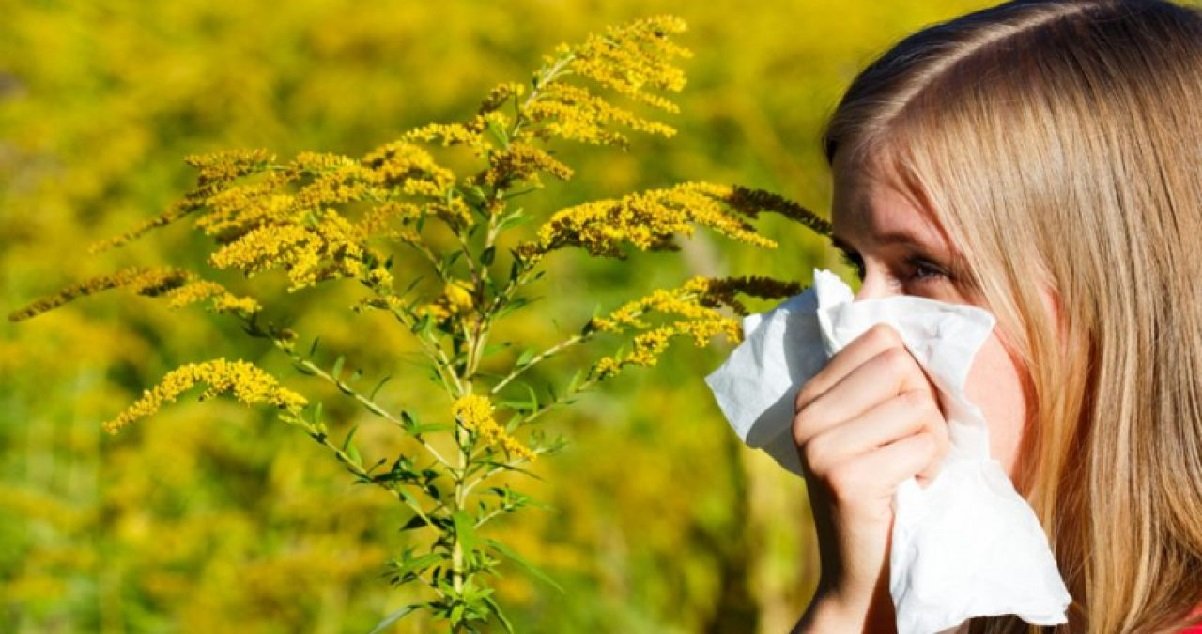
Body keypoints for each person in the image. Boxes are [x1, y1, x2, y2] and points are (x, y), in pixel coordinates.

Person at [789, 0, 1202, 632]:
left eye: (922, 268)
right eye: (855, 267)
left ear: (1115, 297)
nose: (856, 330)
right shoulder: (986, 598)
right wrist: (859, 599)